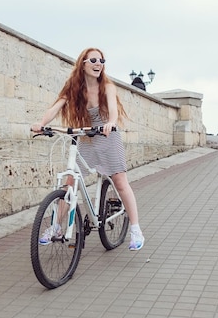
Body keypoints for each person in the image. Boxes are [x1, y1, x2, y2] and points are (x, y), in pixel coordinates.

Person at [31, 47, 145, 251]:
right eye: (93, 60)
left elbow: (112, 111)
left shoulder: (107, 87)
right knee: (70, 182)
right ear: (82, 63)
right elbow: (56, 107)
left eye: (101, 60)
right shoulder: (74, 87)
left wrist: (110, 123)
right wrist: (41, 123)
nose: (98, 64)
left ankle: (136, 229)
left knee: (120, 181)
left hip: (107, 135)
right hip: (86, 136)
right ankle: (56, 226)